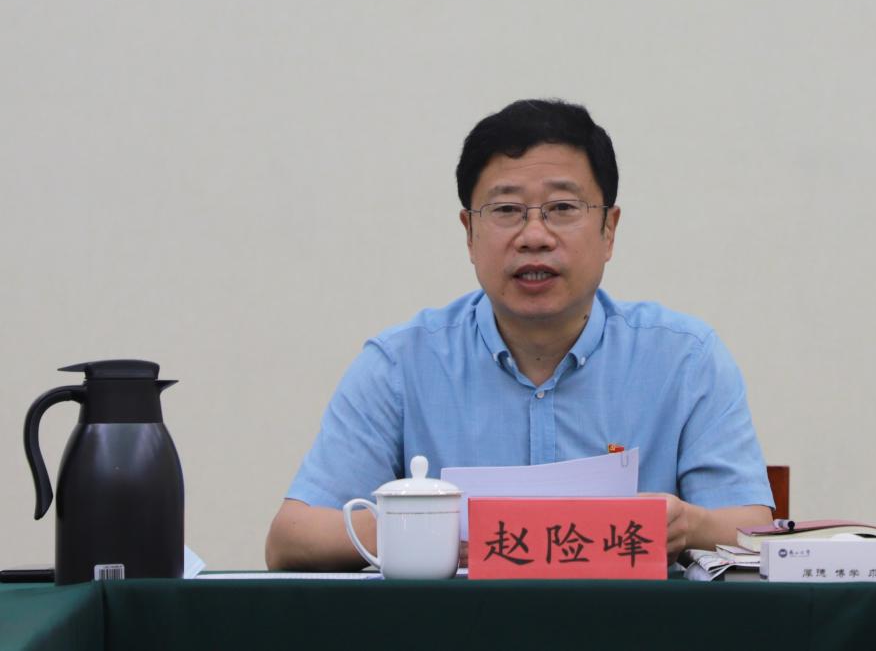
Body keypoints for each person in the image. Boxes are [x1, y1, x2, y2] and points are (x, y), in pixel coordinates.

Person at [265, 99, 773, 571]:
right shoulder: (400, 364)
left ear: (609, 230)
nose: (534, 236)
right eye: (506, 210)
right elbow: (291, 539)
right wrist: (422, 526)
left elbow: (753, 533)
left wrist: (688, 526)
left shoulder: (685, 359)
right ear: (469, 233)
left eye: (563, 208)